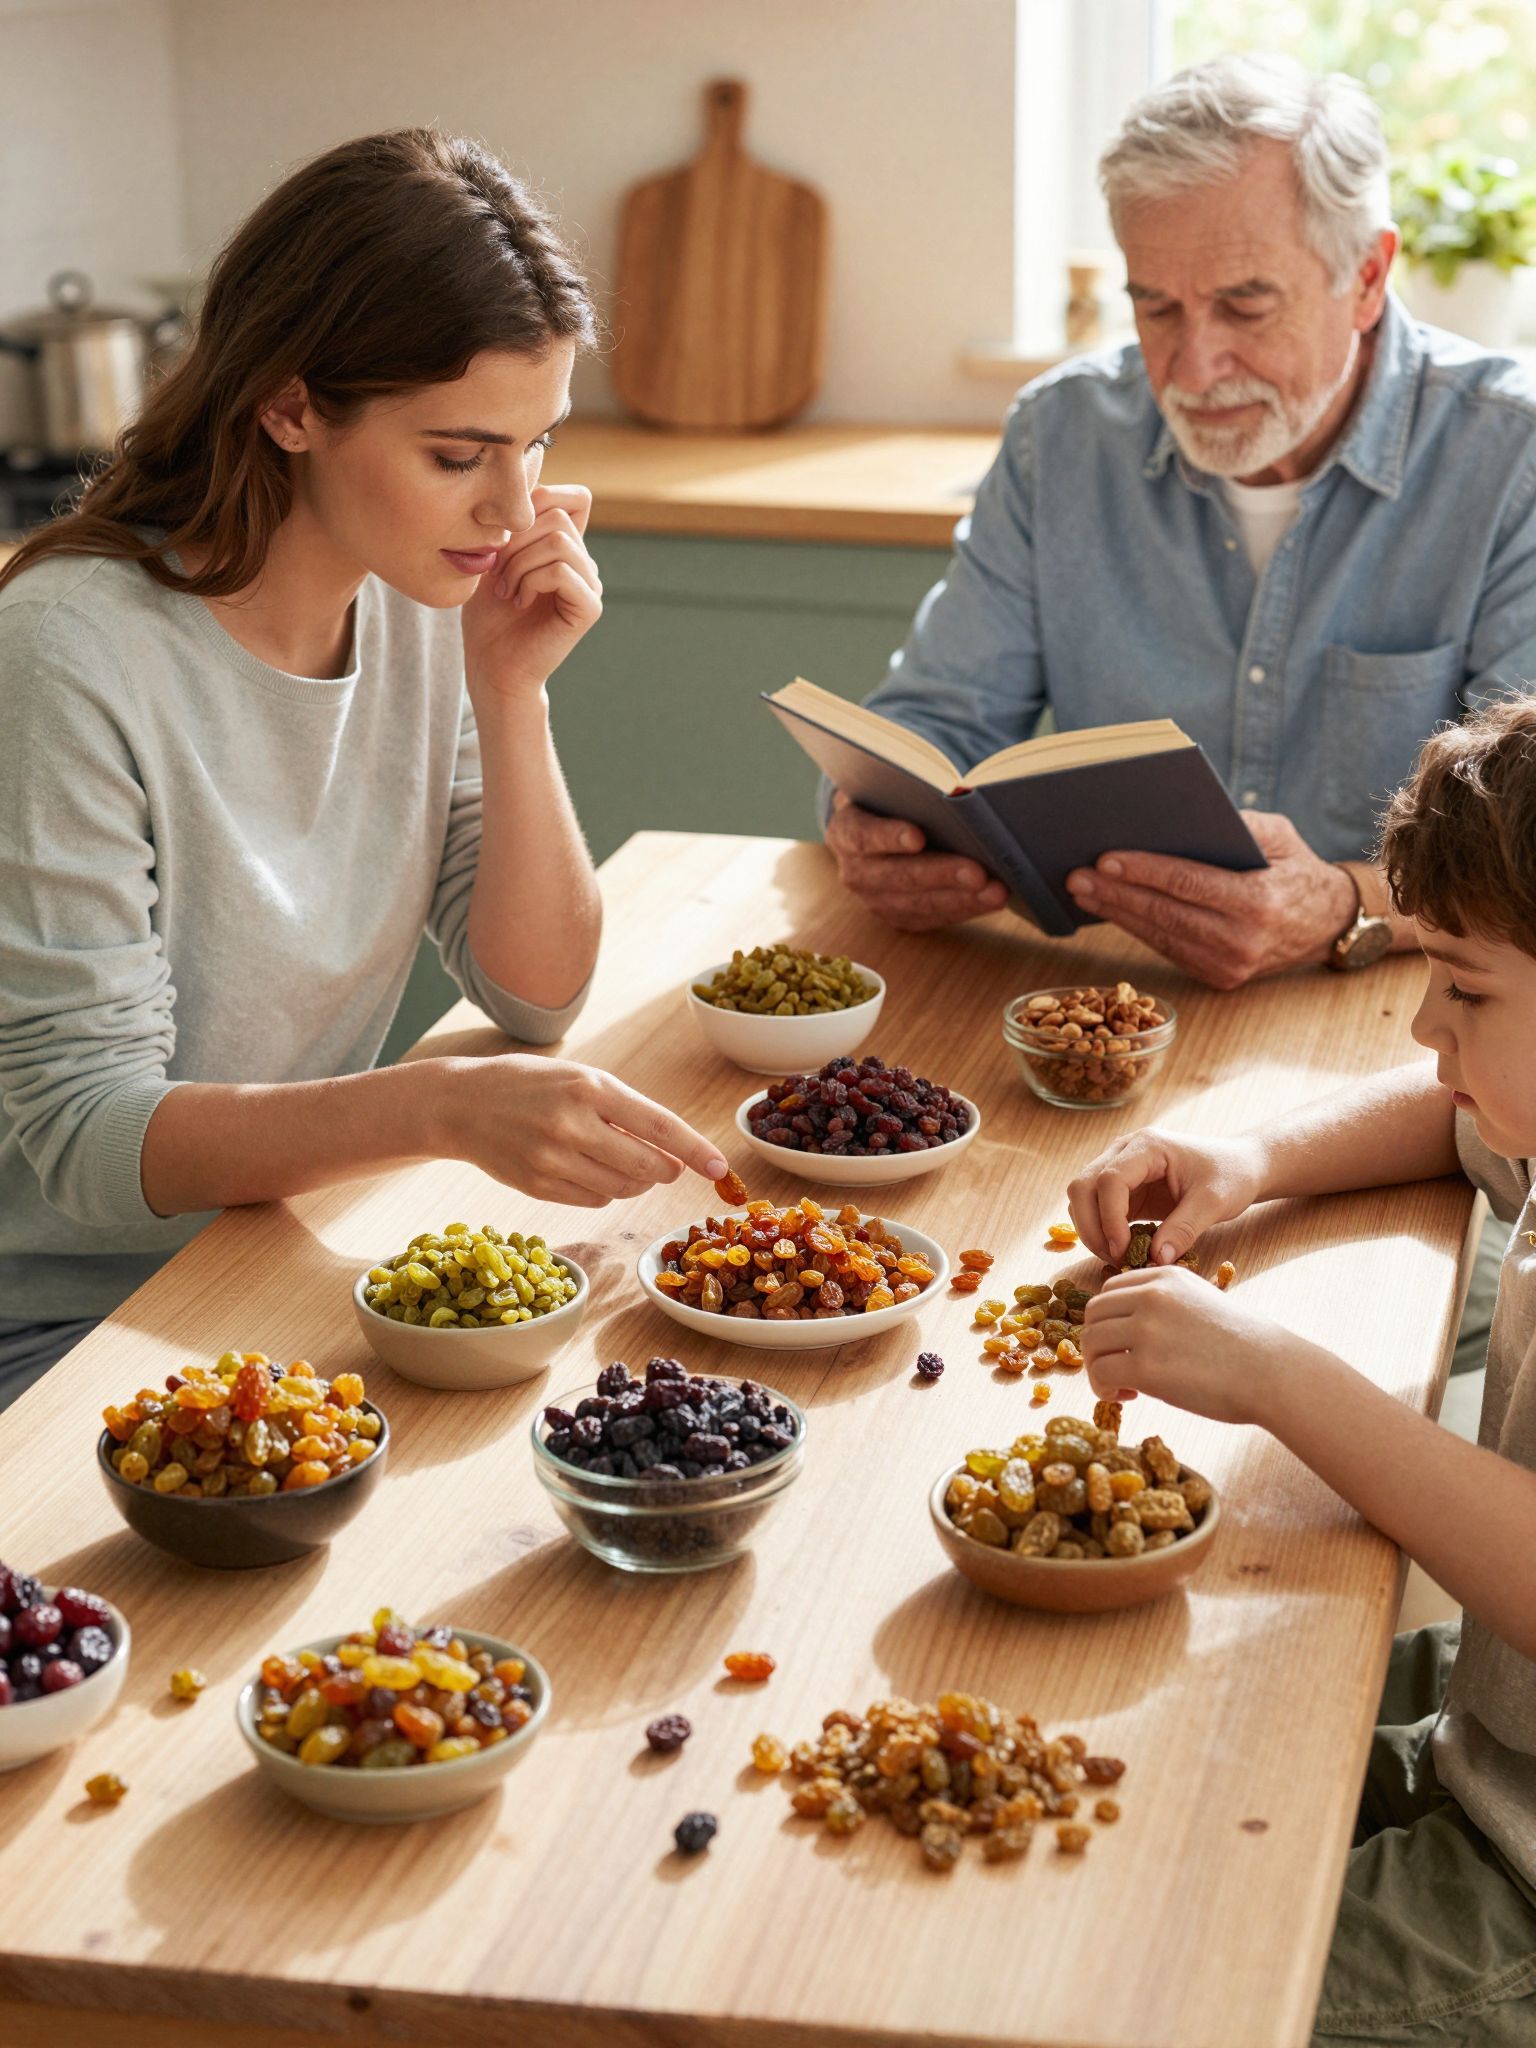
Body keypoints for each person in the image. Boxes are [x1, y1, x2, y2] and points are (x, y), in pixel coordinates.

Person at [0, 129, 730, 1410]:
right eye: (460, 455)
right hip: (71, 1327)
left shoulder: (417, 594)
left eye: (539, 442)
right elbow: (83, 1132)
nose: (513, 511)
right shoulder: (70, 654)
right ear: (290, 407)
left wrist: (511, 695)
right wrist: (437, 1108)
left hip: (261, 1255)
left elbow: (532, 987)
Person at [821, 54, 1536, 990]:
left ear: (1366, 277)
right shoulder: (1062, 433)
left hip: (1403, 1007)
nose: (1193, 370)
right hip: (1107, 1000)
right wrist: (873, 825)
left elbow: (1526, 848)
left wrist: (1345, 905)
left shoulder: (1512, 457)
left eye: (1246, 303)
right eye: (1155, 306)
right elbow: (934, 719)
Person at [1066, 698, 1536, 2045]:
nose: (1425, 1031)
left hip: (1522, 1890)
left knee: (1146, 2012)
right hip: (1488, 1748)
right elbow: (1452, 1127)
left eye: (1469, 989)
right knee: (1142, 1780)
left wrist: (1280, 1375)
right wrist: (1255, 1157)